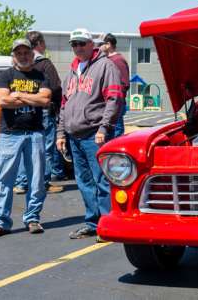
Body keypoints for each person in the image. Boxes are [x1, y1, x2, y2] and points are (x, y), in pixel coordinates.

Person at [56, 28, 123, 239]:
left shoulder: (105, 66)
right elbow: (64, 106)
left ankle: (106, 224)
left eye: (81, 43)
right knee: (84, 182)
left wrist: (104, 128)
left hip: (94, 133)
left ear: (91, 44)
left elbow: (114, 99)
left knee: (102, 180)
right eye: (74, 44)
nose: (78, 48)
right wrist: (60, 133)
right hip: (74, 136)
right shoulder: (71, 72)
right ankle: (92, 222)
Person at [0, 39, 51, 239]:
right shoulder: (6, 75)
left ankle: (32, 218)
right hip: (10, 134)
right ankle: (1, 222)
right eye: (19, 53)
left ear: (32, 54)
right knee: (4, 180)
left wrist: (19, 95)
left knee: (36, 180)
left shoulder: (41, 76)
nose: (23, 56)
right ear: (14, 56)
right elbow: (2, 101)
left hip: (35, 134)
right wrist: (32, 98)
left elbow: (45, 100)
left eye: (26, 52)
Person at [13, 31, 65, 195]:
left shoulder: (20, 64)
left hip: (22, 110)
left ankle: (22, 183)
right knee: (44, 148)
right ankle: (44, 181)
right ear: (39, 43)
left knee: (23, 147)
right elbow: (55, 86)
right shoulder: (44, 64)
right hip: (43, 109)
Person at [96, 33, 129, 137]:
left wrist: (116, 101)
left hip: (116, 104)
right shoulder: (105, 60)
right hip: (108, 105)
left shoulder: (118, 60)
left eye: (100, 44)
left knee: (116, 134)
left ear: (108, 45)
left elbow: (124, 84)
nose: (98, 47)